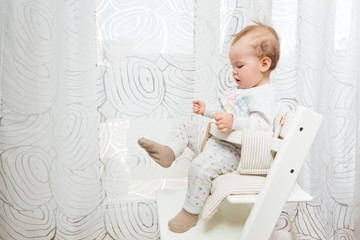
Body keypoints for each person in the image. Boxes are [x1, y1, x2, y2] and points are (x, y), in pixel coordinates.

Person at [138, 22, 281, 233]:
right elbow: (227, 111)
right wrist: (208, 110)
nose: (234, 72)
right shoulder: (243, 90)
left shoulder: (264, 95)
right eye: (233, 66)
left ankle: (190, 212)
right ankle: (169, 152)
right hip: (218, 140)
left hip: (236, 152)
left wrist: (233, 121)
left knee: (200, 166)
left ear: (264, 64)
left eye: (239, 66)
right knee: (185, 124)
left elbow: (262, 128)